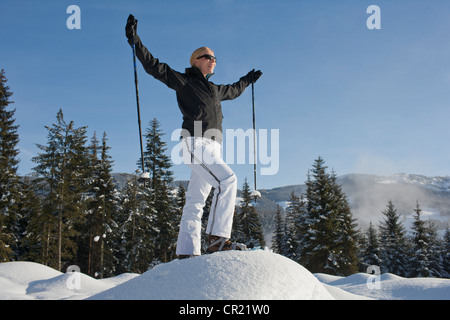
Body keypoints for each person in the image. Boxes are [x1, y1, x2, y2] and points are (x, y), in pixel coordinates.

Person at [125, 15, 262, 258]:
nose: (213, 60)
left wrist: (247, 81)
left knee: (195, 201)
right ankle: (218, 240)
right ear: (196, 61)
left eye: (215, 58)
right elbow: (154, 66)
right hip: (195, 143)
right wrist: (134, 40)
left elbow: (235, 89)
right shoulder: (185, 81)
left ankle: (186, 252)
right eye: (208, 57)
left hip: (213, 148)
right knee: (227, 180)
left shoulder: (216, 90)